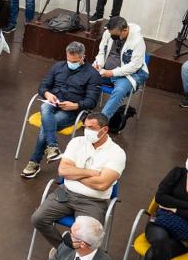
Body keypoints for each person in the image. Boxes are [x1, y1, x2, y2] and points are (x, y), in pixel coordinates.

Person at [29, 113, 125, 244]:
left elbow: (102, 184)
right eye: (85, 127)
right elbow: (63, 171)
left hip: (93, 201)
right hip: (65, 192)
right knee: (38, 219)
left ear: (104, 130)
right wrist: (91, 173)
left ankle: (73, 252)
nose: (87, 131)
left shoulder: (117, 153)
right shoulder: (76, 142)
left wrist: (74, 175)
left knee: (88, 237)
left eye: (91, 128)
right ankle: (63, 250)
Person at [20, 44, 103, 178]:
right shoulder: (58, 67)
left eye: (74, 61)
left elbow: (92, 102)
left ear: (83, 57)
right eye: (68, 60)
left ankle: (35, 161)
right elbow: (43, 86)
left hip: (72, 111)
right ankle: (52, 147)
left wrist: (75, 105)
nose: (70, 63)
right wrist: (47, 94)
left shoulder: (93, 75)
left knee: (46, 125)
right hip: (53, 103)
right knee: (45, 107)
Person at [92, 16, 148, 120]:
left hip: (130, 74)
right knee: (87, 76)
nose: (112, 37)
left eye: (115, 35)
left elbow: (134, 66)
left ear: (125, 30)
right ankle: (83, 111)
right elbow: (101, 52)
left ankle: (101, 121)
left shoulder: (138, 41)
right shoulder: (108, 33)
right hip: (105, 71)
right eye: (111, 34)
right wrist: (98, 64)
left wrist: (112, 73)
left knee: (120, 90)